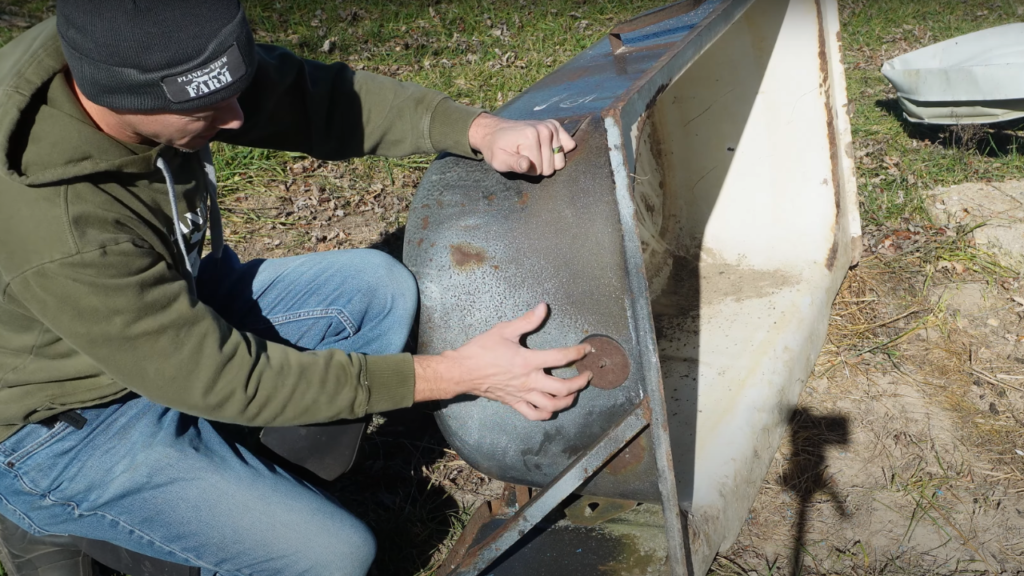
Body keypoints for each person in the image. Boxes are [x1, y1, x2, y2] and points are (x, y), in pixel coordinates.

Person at [0, 1, 593, 574]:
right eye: (207, 106)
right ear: (122, 99)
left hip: (157, 322)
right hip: (60, 422)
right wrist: (458, 375)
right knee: (330, 558)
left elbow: (312, 98)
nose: (235, 117)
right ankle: (57, 518)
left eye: (232, 87)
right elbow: (226, 377)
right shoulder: (62, 225)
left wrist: (477, 128)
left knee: (374, 290)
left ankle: (231, 477)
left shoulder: (121, 38)